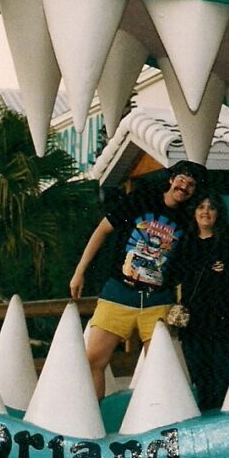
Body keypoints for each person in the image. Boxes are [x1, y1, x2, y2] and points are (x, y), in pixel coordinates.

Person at [70, 160, 208, 399]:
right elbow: (102, 230)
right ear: (171, 179)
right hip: (119, 293)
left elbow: (207, 241)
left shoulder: (188, 220)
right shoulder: (140, 201)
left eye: (191, 185)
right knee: (93, 360)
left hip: (157, 302)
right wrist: (79, 271)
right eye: (181, 180)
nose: (184, 187)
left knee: (163, 370)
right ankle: (92, 422)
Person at [176, 191, 229, 411]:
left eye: (211, 207)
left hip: (228, 320)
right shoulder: (183, 241)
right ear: (193, 211)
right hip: (196, 322)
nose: (206, 212)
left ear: (218, 213)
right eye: (201, 207)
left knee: (226, 373)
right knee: (200, 375)